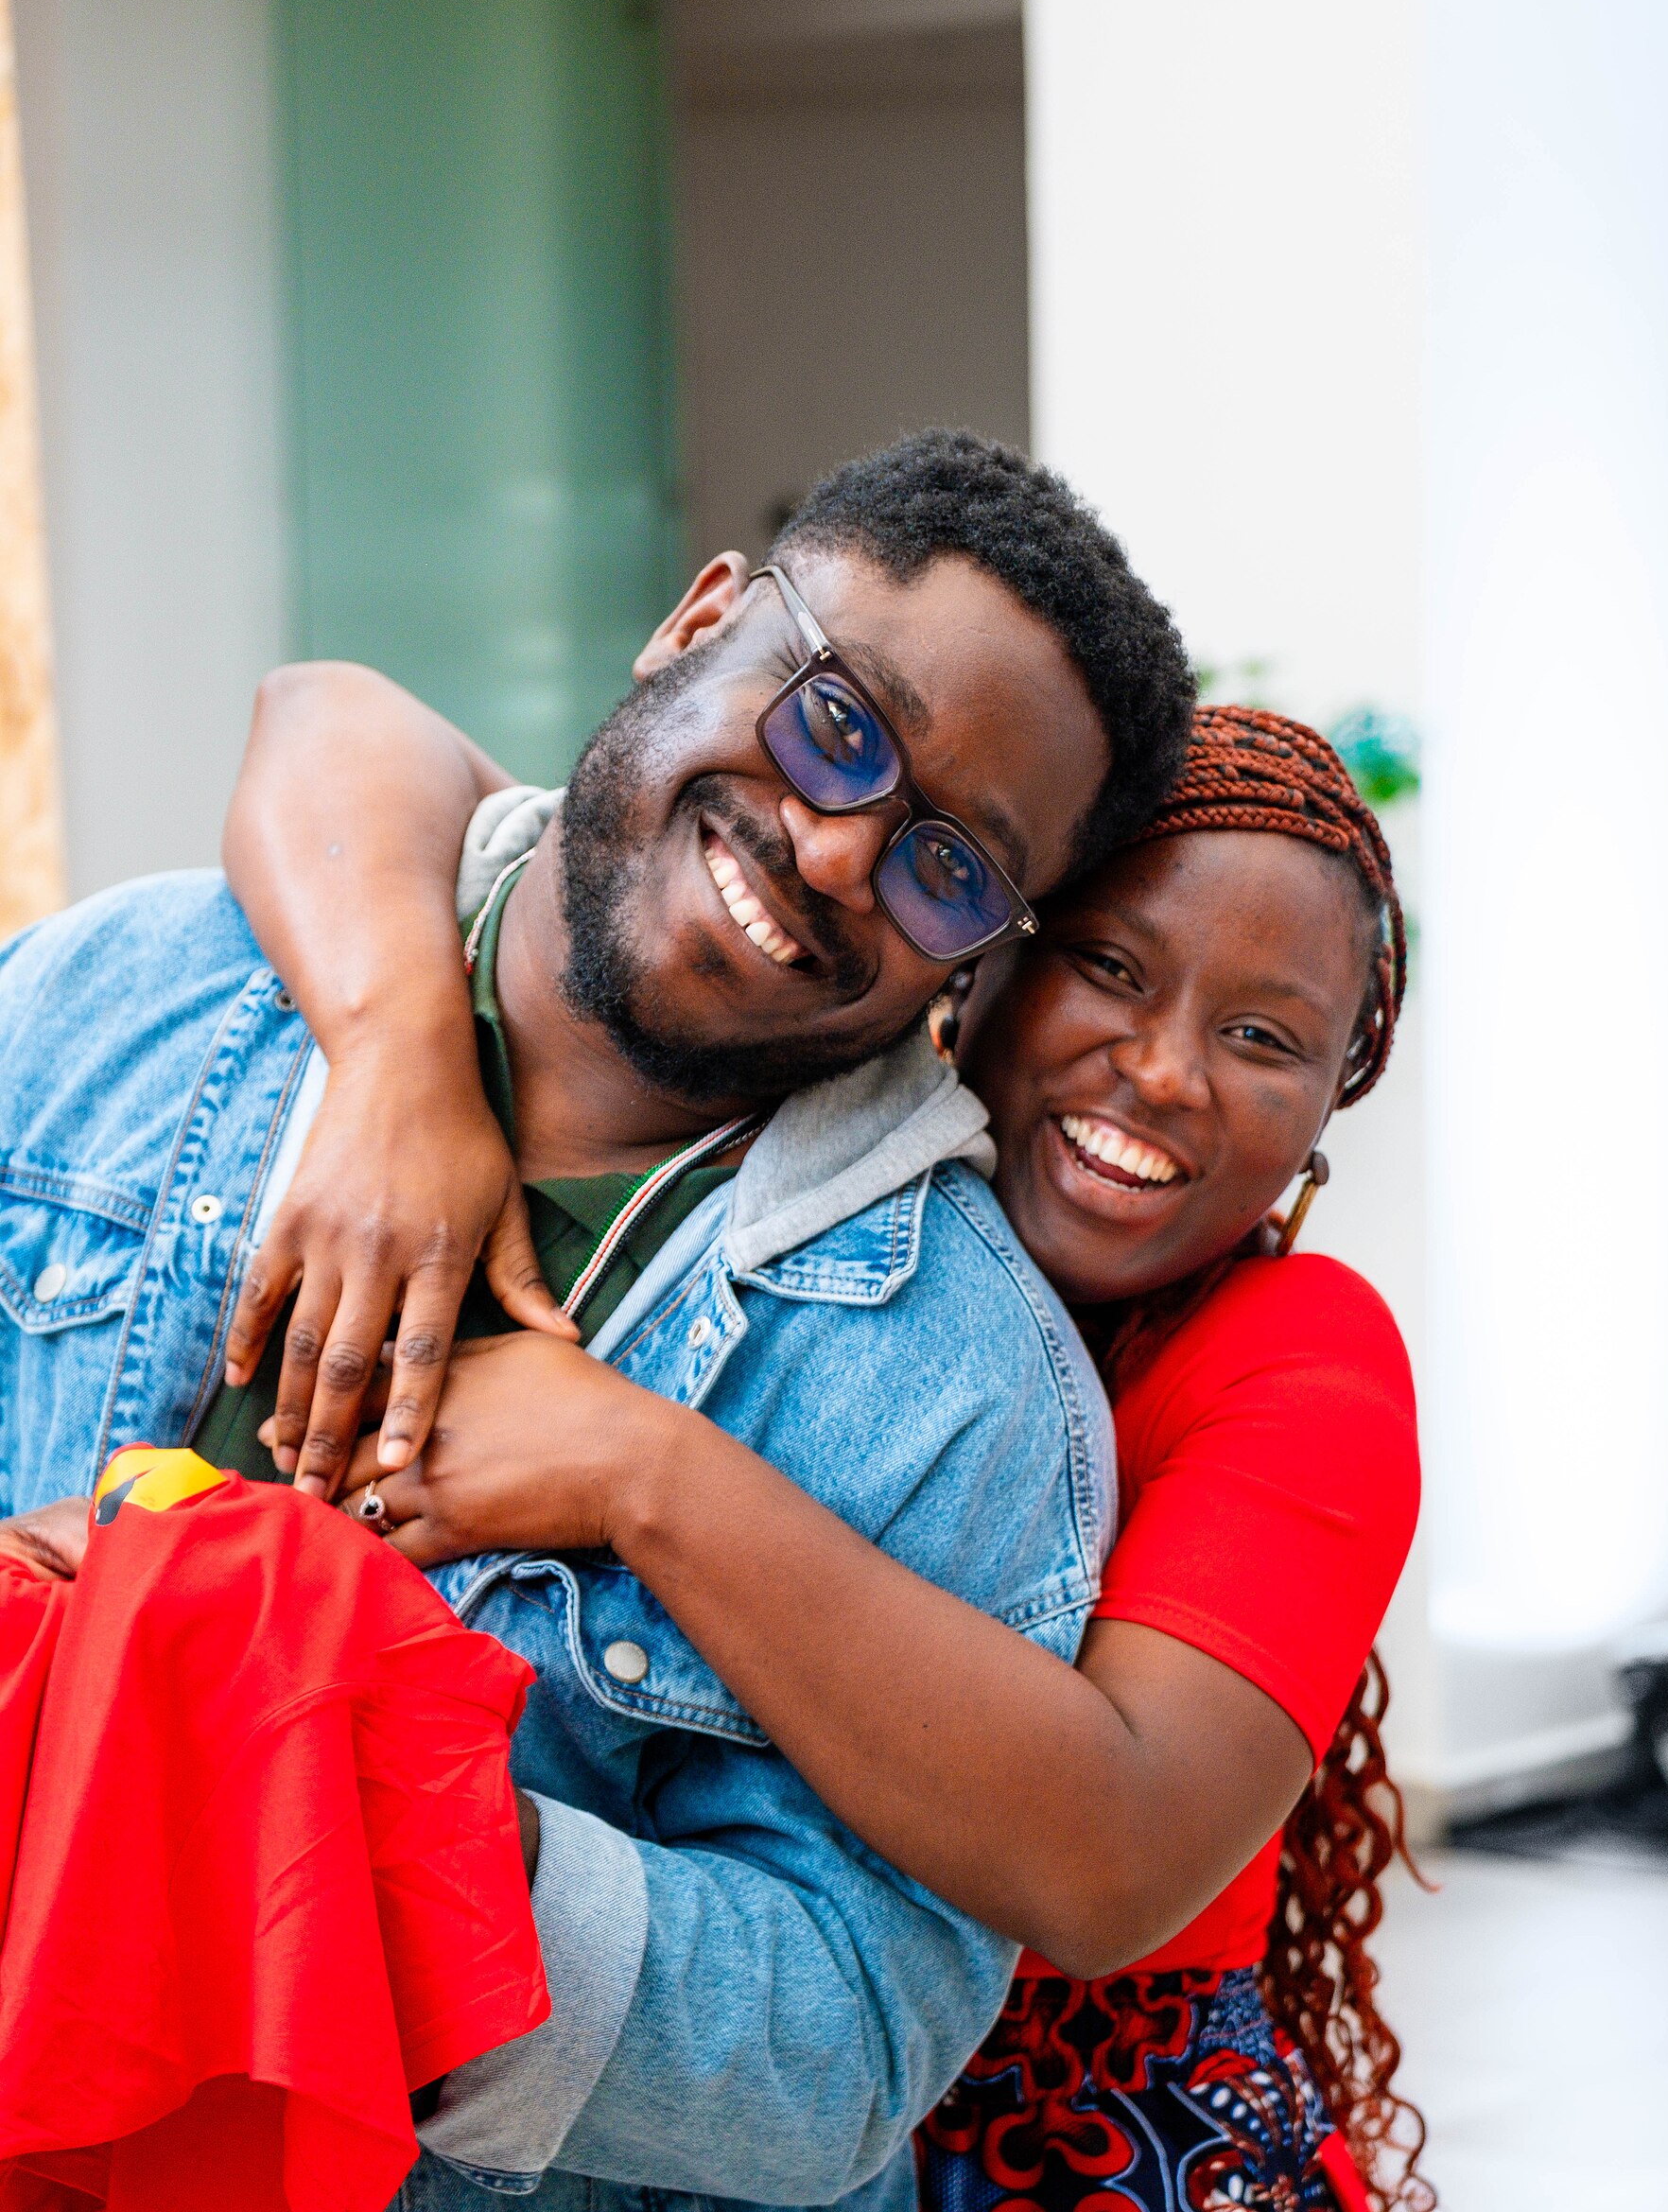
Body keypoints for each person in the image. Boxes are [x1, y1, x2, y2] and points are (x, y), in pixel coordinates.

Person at [0, 431, 1197, 2212]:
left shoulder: (956, 1383)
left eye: (949, 867)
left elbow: (844, 2056)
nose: (833, 844)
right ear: (699, 618)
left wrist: (342, 1822)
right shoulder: (139, 990)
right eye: (834, 720)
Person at [220, 705, 1432, 2209]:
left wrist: (636, 1469)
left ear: (1329, 1114)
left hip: (1083, 2155)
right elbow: (337, 725)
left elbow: (1113, 1859)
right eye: (1111, 968)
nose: (1168, 1071)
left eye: (1266, 1039)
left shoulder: (1302, 1360)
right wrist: (395, 1046)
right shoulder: (815, 1197)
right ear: (979, 956)